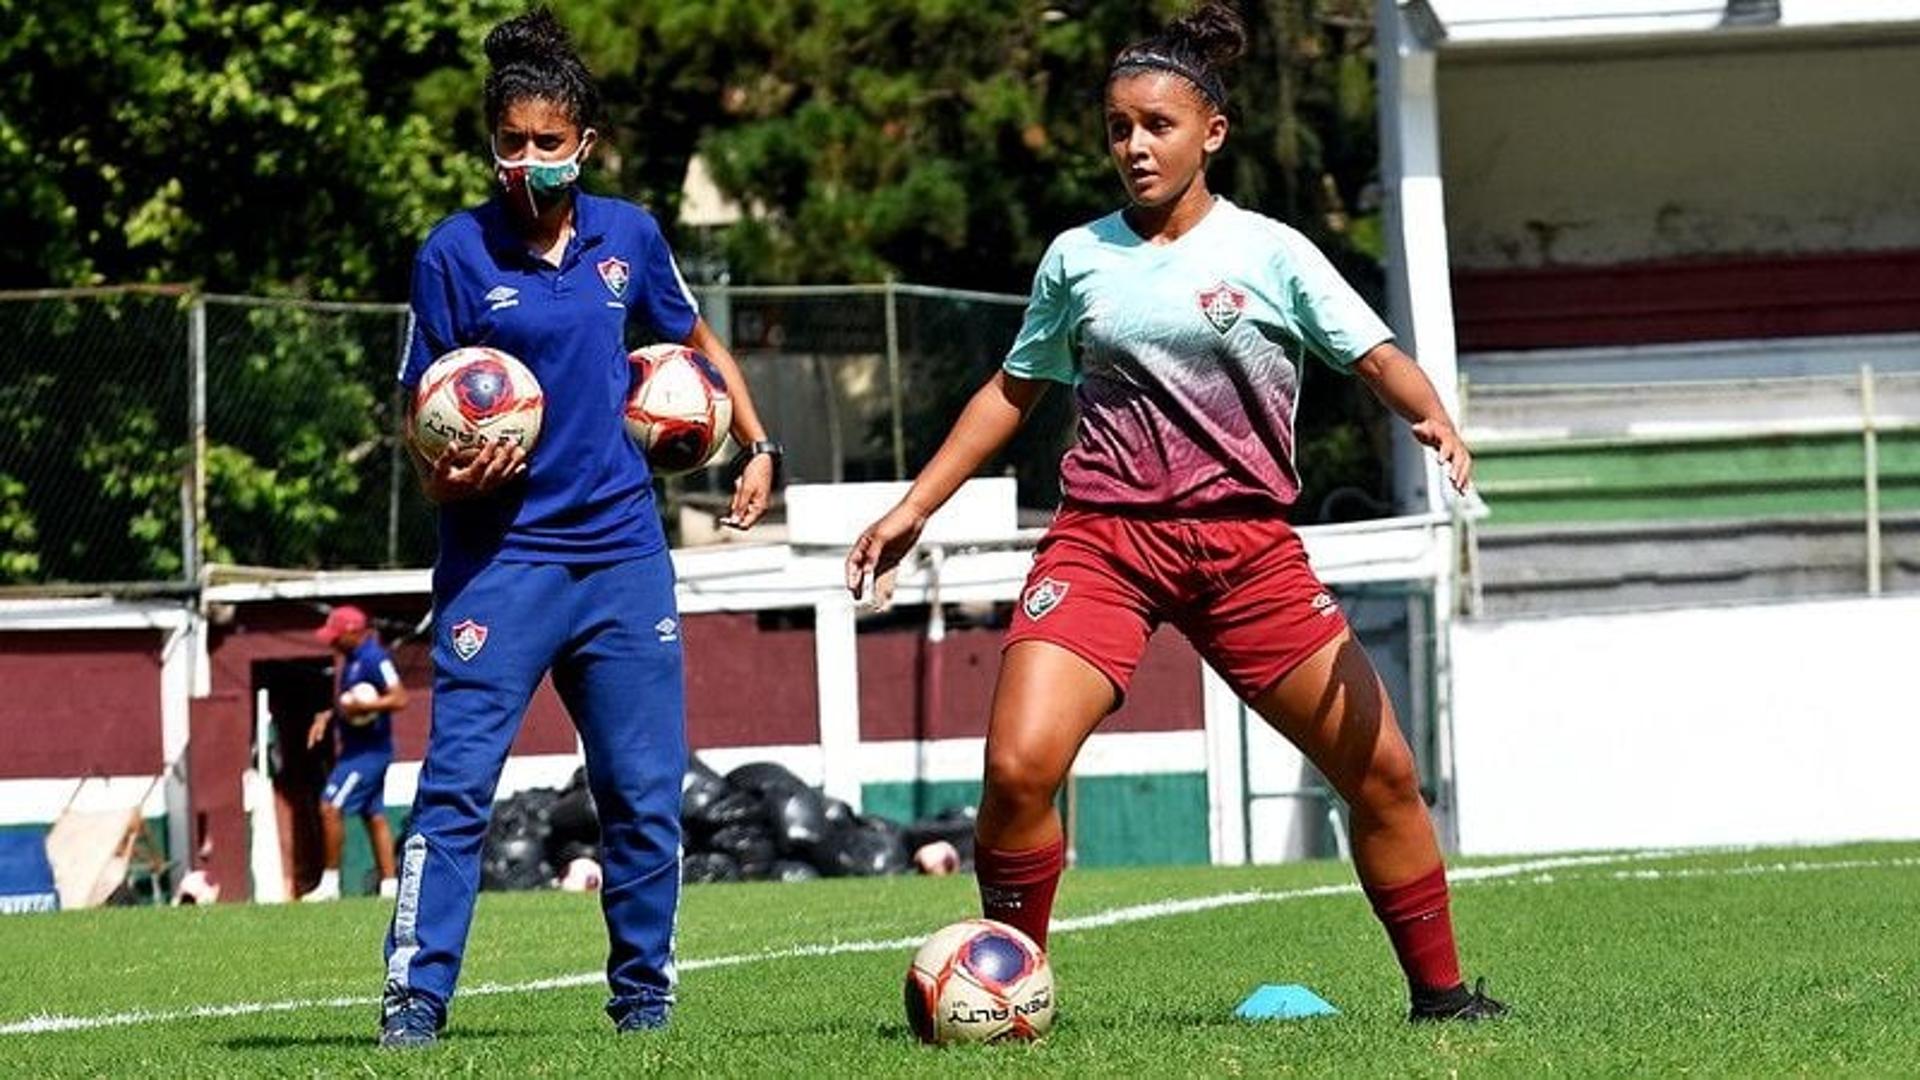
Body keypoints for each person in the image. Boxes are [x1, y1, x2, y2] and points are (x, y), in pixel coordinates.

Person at [845, 0, 1505, 1024]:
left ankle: (1444, 999)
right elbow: (1013, 390)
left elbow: (1373, 354)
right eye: (1119, 127)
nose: (1135, 145)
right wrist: (913, 507)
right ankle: (1009, 993)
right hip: (1104, 544)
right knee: (1018, 769)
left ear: (1213, 132)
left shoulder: (1273, 253)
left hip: (1245, 551)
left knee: (1382, 775)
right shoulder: (1078, 259)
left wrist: (1435, 419)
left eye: (1156, 125)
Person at [378, 9, 780, 1048]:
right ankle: (414, 1004)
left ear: (583, 147)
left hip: (620, 558)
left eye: (547, 145)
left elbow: (689, 334)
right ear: (491, 145)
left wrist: (758, 440)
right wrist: (452, 472)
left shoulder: (629, 238)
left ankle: (643, 1003)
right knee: (457, 791)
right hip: (498, 563)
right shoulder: (454, 255)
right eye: (509, 143)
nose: (527, 163)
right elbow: (420, 436)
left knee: (643, 795)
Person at [301, 604, 407, 902]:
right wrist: (328, 715)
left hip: (367, 753)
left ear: (353, 633)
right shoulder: (350, 661)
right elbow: (347, 704)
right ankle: (389, 886)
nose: (331, 641)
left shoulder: (374, 658)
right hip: (357, 750)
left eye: (336, 635)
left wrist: (364, 707)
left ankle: (330, 884)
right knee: (374, 815)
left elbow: (399, 698)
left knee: (330, 807)